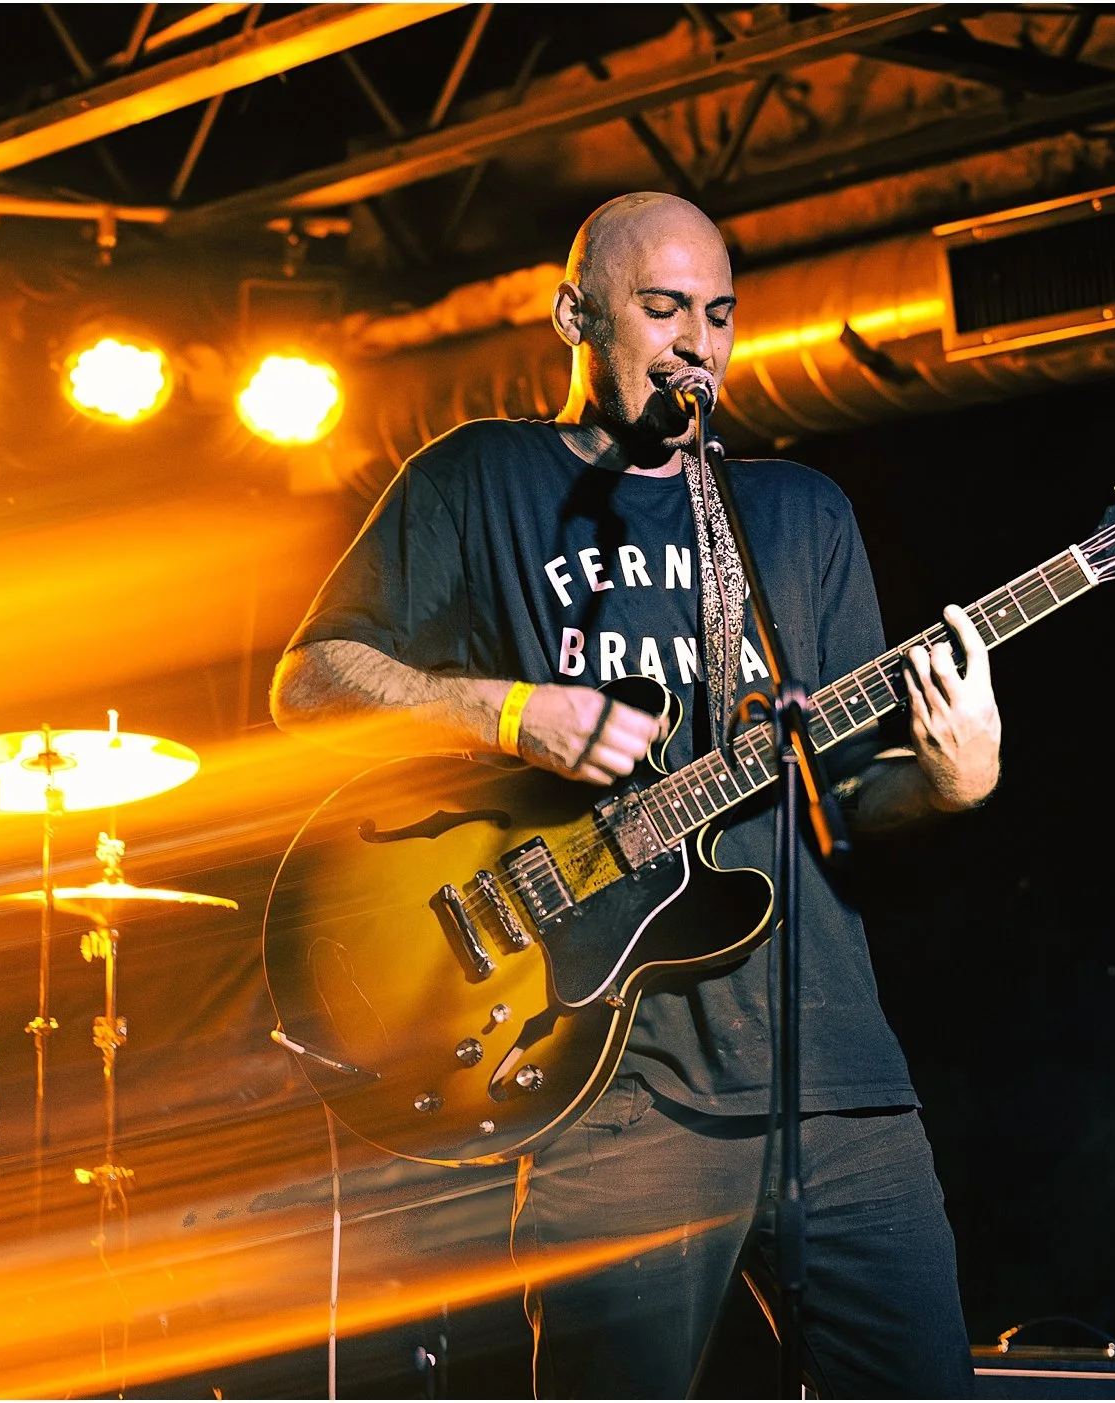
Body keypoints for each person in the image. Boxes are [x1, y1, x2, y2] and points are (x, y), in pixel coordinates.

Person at [269, 193, 1001, 1397]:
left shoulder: (797, 513)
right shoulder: (478, 478)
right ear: (577, 315)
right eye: (660, 309)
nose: (694, 342)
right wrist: (507, 712)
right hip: (605, 1080)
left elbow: (845, 797)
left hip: (834, 1082)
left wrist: (944, 783)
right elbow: (312, 684)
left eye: (717, 314)